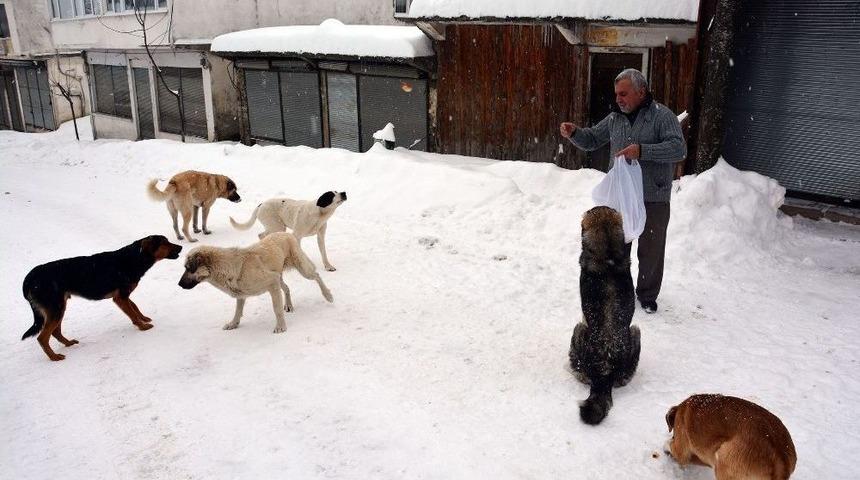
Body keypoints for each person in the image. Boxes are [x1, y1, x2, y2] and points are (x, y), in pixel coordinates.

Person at [560, 68, 686, 314]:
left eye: (624, 93)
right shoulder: (615, 118)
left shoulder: (663, 117)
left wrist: (643, 151)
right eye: (617, 93)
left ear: (641, 92)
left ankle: (647, 295)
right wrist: (574, 132)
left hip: (653, 196)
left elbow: (678, 149)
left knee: (651, 250)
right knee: (617, 248)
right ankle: (618, 291)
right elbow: (592, 139)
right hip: (620, 197)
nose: (618, 98)